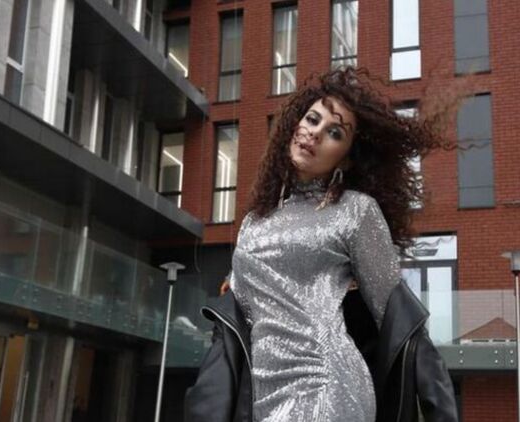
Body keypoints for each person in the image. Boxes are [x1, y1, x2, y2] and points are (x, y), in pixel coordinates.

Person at [185, 67, 457, 422]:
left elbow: (399, 317)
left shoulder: (355, 211)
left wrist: (441, 409)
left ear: (346, 157)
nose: (314, 132)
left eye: (334, 132)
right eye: (312, 119)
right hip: (261, 396)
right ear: (295, 124)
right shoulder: (254, 222)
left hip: (325, 385)